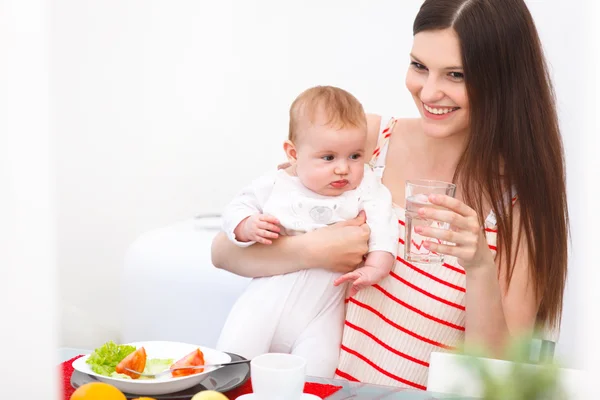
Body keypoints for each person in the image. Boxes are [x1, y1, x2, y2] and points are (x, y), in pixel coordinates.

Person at [211, 0, 568, 390]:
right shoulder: (363, 145)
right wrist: (313, 250)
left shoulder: (517, 206)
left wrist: (480, 267)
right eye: (419, 66)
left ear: (502, 79)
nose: (429, 91)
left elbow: (501, 379)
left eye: (456, 74)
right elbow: (224, 252)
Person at [216, 86, 398, 378]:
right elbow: (236, 208)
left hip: (323, 310)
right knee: (235, 362)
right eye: (328, 158)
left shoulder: (366, 188)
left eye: (354, 156)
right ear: (293, 153)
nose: (343, 169)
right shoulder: (276, 183)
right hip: (266, 301)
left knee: (318, 372)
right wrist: (247, 225)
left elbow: (384, 222)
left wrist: (377, 264)